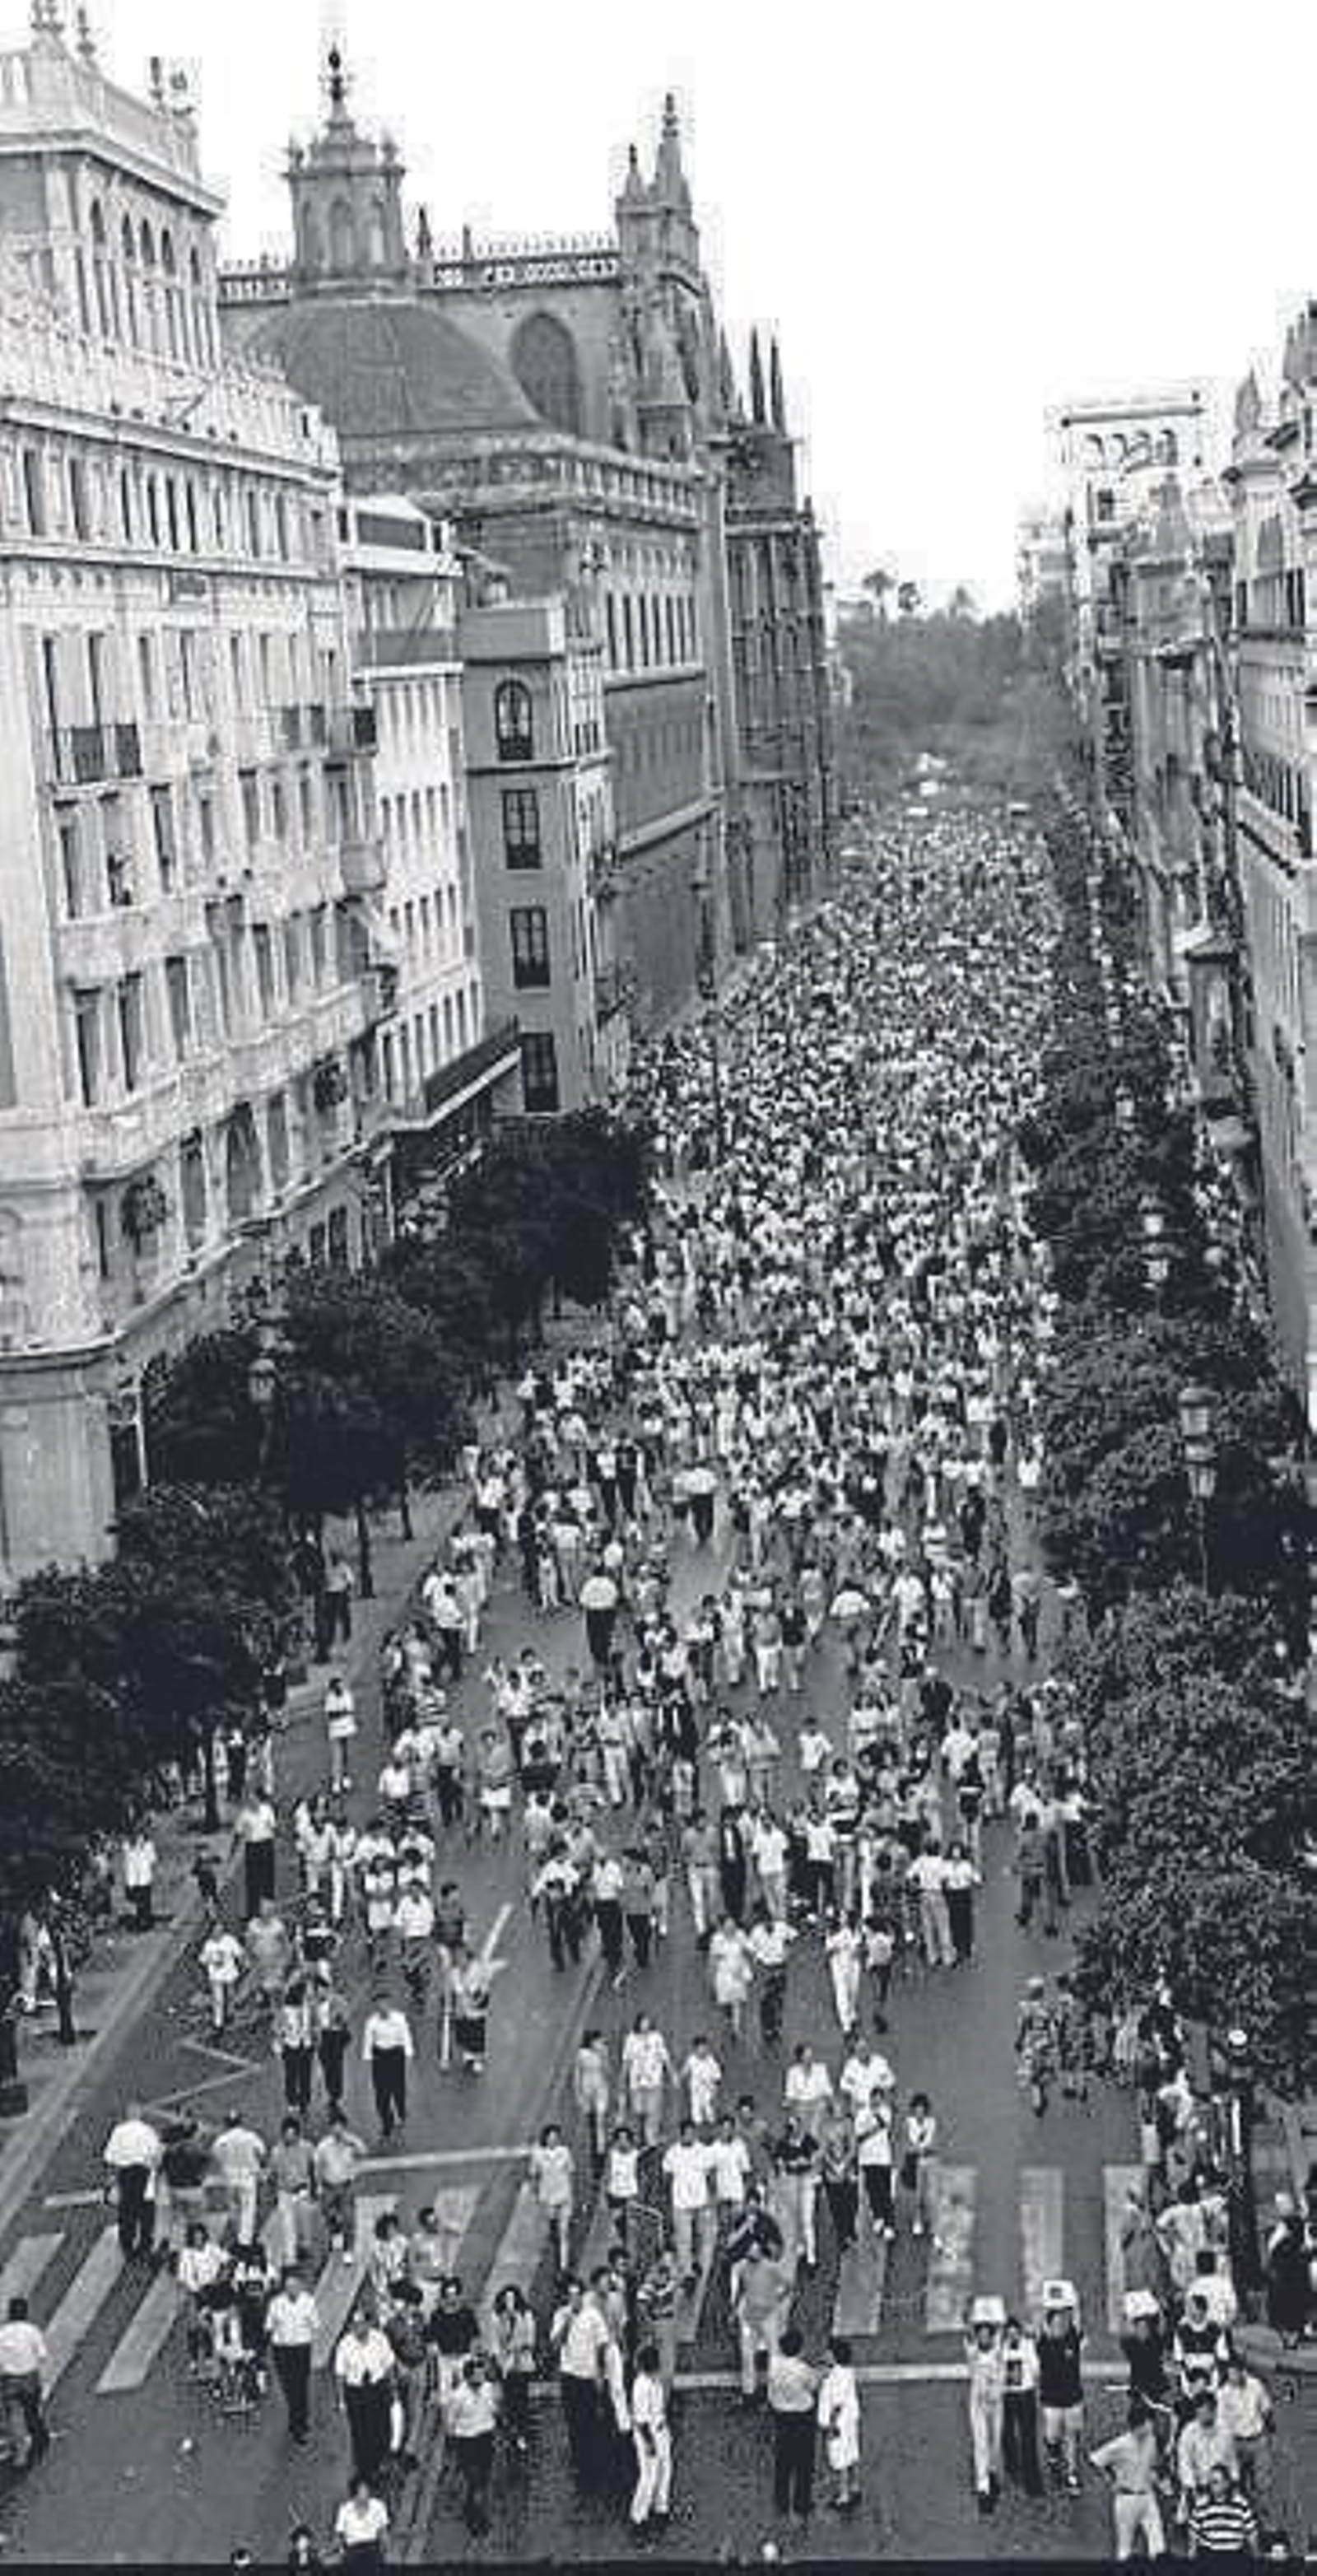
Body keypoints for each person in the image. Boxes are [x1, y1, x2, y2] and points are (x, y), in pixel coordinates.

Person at [1090, 2396, 1167, 2561]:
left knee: (1159, 2547)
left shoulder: (1152, 2441)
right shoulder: (1120, 2444)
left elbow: (1153, 2464)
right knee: (1125, 2549)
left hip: (1148, 2497)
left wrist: (1157, 2478)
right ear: (1138, 2426)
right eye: (1149, 2422)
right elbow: (1095, 2460)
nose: (1152, 2425)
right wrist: (1111, 2481)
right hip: (1126, 2501)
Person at [333, 2311, 397, 2486]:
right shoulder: (345, 2345)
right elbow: (340, 2374)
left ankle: (380, 2463)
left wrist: (393, 2389)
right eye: (355, 2325)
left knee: (382, 2428)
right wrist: (341, 2400)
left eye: (362, 2324)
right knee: (361, 2434)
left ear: (369, 2325)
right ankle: (365, 2471)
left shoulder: (380, 2339)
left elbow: (389, 2364)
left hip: (377, 2389)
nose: (358, 2328)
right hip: (357, 2393)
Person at [444, 2352, 499, 2536]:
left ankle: (471, 2504)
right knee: (474, 2477)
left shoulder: (488, 2389)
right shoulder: (458, 2396)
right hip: (467, 2441)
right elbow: (450, 2423)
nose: (481, 2378)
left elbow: (494, 2410)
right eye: (477, 2375)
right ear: (468, 2377)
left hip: (485, 2438)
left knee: (483, 2478)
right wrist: (452, 2447)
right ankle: (477, 2519)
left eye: (482, 2374)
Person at [767, 2327, 817, 2524]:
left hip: (781, 2416)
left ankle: (781, 2501)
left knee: (783, 2462)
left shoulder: (774, 2366)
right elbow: (813, 2385)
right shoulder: (802, 2369)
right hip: (802, 2418)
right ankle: (801, 2503)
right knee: (804, 2464)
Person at [101, 2100, 162, 2262]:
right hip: (145, 2176)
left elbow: (109, 2157)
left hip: (125, 2177)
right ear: (140, 2114)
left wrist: (111, 2181)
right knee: (146, 2216)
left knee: (127, 2215)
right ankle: (144, 2246)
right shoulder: (149, 2131)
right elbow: (157, 2156)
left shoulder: (119, 2131)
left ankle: (127, 2248)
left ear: (127, 2115)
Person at [1037, 2284, 1085, 2491]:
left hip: (1073, 2397)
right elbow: (1041, 2323)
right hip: (1051, 2398)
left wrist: (1072, 2303)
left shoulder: (1073, 2337)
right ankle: (1053, 2453)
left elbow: (1078, 2319)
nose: (1063, 2323)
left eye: (1066, 2318)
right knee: (1053, 2435)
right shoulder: (1043, 2342)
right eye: (1058, 2319)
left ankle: (1072, 2474)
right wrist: (1047, 2305)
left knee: (1072, 2436)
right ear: (1050, 2322)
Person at [266, 2266, 319, 2445]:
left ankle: (300, 2425)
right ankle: (295, 2418)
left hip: (301, 2349)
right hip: (282, 2350)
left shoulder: (309, 2302)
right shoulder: (275, 2304)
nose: (292, 2291)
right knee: (288, 2387)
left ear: (302, 2286)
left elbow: (316, 2325)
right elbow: (269, 2327)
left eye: (296, 2286)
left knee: (300, 2386)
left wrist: (303, 2329)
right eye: (289, 2287)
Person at [964, 2299, 1006, 2513]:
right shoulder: (972, 2352)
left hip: (996, 2403)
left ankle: (992, 2470)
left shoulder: (999, 2350)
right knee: (980, 2441)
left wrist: (995, 2321)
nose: (983, 2337)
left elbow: (1002, 2332)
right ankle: (983, 2483)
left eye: (987, 2333)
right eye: (980, 2333)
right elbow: (967, 2333)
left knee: (995, 2441)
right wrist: (970, 2314)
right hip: (978, 2403)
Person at [0, 2294, 50, 2471]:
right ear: (25, 2313)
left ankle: (20, 2455)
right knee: (31, 2411)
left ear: (10, 2314)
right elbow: (42, 2356)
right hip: (30, 2378)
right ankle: (40, 2439)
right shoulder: (32, 2331)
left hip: (9, 2380)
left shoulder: (2, 2334)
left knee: (14, 2417)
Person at [630, 2338, 673, 2531]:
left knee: (665, 2471)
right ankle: (639, 2517)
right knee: (648, 2476)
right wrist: (649, 2444)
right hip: (649, 2435)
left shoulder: (655, 2381)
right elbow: (640, 2420)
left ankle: (661, 2508)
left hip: (661, 2430)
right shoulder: (641, 2386)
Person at [817, 2333, 861, 2513]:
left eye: (828, 2351)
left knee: (840, 2458)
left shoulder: (836, 2377)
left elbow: (836, 2405)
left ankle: (843, 2496)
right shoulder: (847, 2371)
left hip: (839, 2423)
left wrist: (831, 2426)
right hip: (850, 2420)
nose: (825, 2353)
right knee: (852, 2452)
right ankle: (855, 2486)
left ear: (835, 2355)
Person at [361, 1996, 414, 2140]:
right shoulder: (371, 2022)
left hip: (396, 2055)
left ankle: (401, 2114)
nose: (382, 2007)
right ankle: (387, 2123)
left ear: (389, 2004)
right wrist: (368, 2059)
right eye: (378, 2004)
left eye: (384, 2003)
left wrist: (409, 2055)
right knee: (381, 2093)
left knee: (398, 2089)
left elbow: (406, 2036)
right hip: (380, 2057)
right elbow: (368, 2041)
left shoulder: (400, 2019)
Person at [1188, 2461, 1259, 2564]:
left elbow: (1252, 2534)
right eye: (1210, 2482)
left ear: (1226, 2483)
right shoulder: (1201, 2504)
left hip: (1235, 2557)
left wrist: (1257, 2559)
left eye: (1216, 2482)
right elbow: (1193, 2534)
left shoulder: (1241, 2504)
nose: (1211, 2486)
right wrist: (1191, 2559)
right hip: (1209, 2557)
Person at [332, 2474, 389, 2574]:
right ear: (354, 2493)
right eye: (361, 2490)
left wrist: (384, 2548)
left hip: (372, 2549)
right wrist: (339, 2550)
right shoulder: (345, 2509)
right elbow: (339, 2535)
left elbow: (383, 2532)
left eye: (367, 2490)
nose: (365, 2493)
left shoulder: (379, 2506)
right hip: (352, 2550)